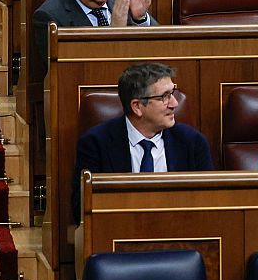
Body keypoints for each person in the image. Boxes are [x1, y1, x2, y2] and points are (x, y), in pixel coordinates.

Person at [71, 62, 214, 221]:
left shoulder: (193, 143)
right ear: (137, 106)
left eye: (172, 93)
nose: (174, 103)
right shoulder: (95, 144)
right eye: (164, 97)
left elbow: (208, 206)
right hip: (119, 235)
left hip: (179, 233)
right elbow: (81, 209)